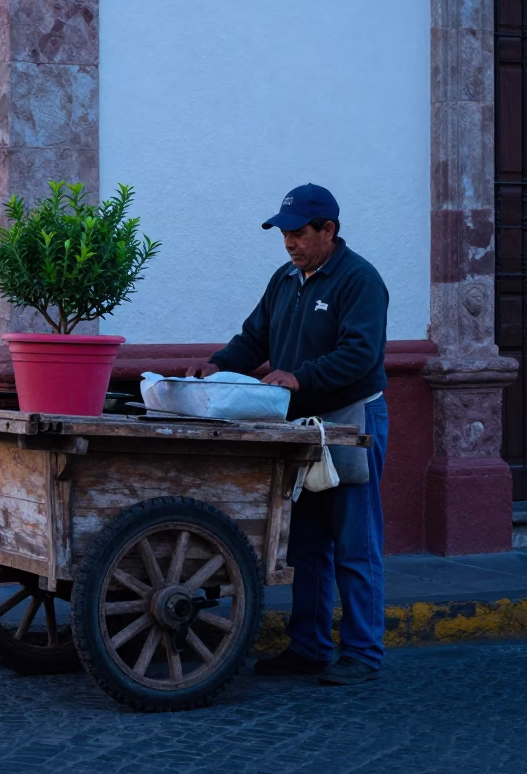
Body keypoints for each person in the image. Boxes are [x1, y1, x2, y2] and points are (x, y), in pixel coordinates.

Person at [187, 183, 389, 686]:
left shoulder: (360, 280)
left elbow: (360, 355)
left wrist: (301, 377)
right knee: (305, 542)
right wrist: (216, 366)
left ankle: (363, 651)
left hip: (349, 422)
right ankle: (310, 646)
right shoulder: (284, 279)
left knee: (354, 543)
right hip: (299, 428)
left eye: (299, 233)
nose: (290, 243)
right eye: (284, 234)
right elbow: (254, 336)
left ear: (329, 231)